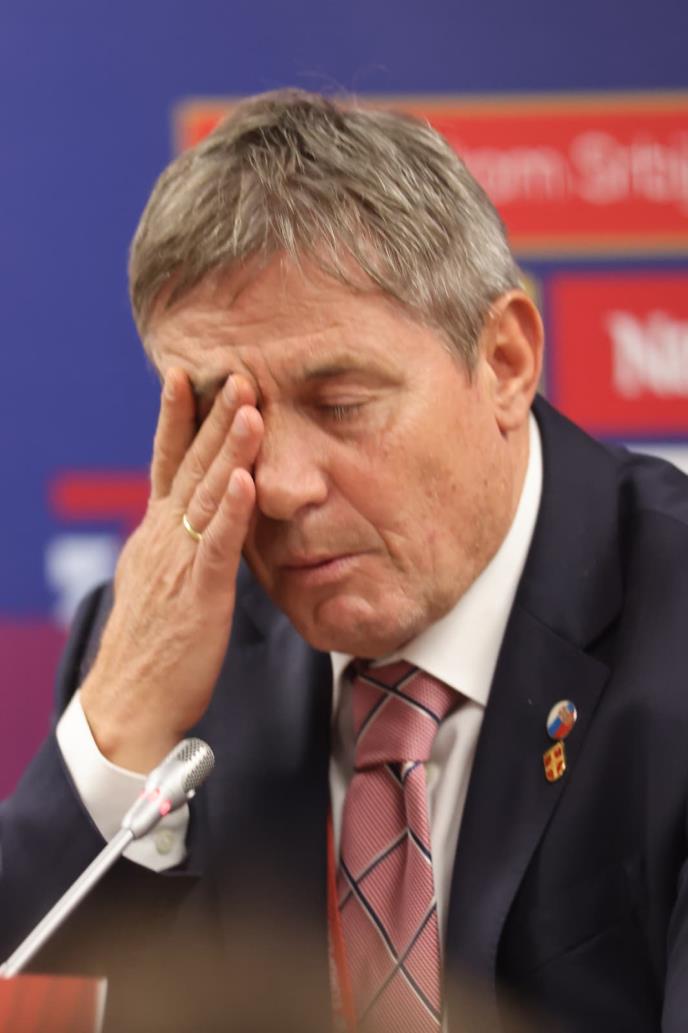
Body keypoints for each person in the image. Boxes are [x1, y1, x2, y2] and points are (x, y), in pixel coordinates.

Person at [1, 89, 688, 1033]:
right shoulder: (169, 644)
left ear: (504, 361)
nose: (280, 487)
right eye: (225, 418)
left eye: (341, 405)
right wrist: (117, 725)